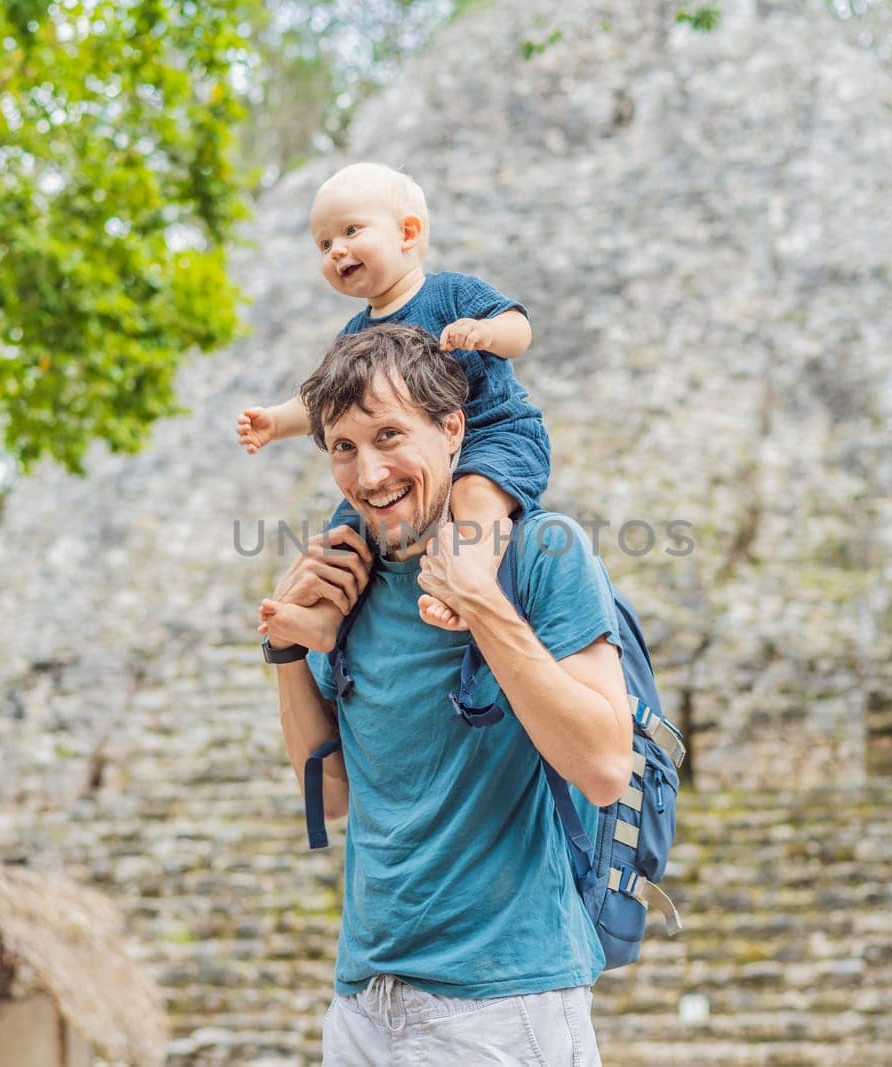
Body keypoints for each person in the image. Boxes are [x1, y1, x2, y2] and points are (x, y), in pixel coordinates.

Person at [257, 324, 631, 1064]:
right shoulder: (351, 584)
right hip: (365, 1000)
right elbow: (332, 796)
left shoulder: (544, 552)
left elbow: (603, 764)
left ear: (452, 428)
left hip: (506, 998)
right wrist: (285, 648)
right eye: (343, 447)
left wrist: (482, 601)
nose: (368, 475)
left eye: (390, 435)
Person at [237, 161, 550, 652]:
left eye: (350, 231)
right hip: (396, 463)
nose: (336, 249)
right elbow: (323, 402)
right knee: (344, 528)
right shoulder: (354, 336)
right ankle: (322, 618)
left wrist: (488, 333)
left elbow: (519, 327)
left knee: (475, 497)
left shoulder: (451, 293)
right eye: (323, 244)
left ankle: (471, 583)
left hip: (491, 433)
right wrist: (275, 422)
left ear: (407, 232)